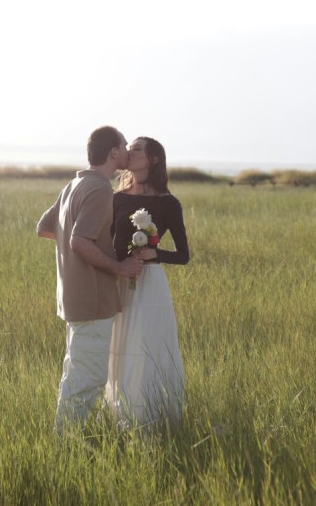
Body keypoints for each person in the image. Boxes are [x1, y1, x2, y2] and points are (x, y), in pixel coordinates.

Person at [37, 126, 143, 434]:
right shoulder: (100, 190)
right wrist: (119, 267)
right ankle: (65, 444)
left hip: (74, 297)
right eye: (124, 145)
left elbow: (45, 228)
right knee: (89, 379)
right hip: (93, 299)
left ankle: (63, 439)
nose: (128, 151)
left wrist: (81, 255)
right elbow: (79, 241)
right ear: (113, 152)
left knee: (76, 373)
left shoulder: (74, 184)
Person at [106, 136, 190, 431]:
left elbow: (183, 255)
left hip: (150, 285)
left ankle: (152, 419)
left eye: (137, 149)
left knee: (147, 347)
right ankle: (120, 417)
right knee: (119, 346)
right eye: (128, 148)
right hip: (118, 281)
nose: (129, 152)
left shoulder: (169, 203)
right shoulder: (117, 198)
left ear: (153, 159)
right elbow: (107, 243)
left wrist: (155, 253)